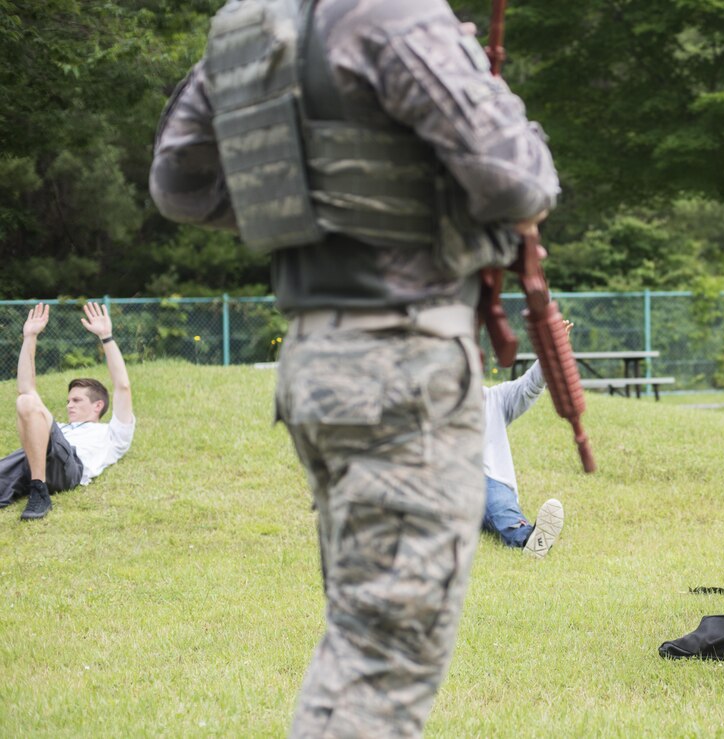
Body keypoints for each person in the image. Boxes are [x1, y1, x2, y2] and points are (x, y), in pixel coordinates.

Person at [149, 0, 559, 735]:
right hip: (404, 366)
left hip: (315, 358)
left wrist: (314, 215)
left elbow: (177, 182)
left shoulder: (249, 25)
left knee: (361, 635)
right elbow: (517, 182)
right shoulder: (397, 16)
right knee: (385, 661)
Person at [0, 302, 135, 521]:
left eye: (76, 400)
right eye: (68, 400)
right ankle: (36, 481)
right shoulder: (60, 428)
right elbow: (25, 388)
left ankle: (39, 491)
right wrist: (30, 337)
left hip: (68, 467)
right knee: (25, 399)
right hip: (30, 460)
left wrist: (106, 337)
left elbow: (123, 386)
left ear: (97, 406)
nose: (69, 405)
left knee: (26, 403)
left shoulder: (113, 434)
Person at [482, 323, 571, 558]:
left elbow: (530, 386)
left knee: (501, 508)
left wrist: (550, 351)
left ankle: (529, 539)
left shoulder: (494, 400)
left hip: (488, 487)